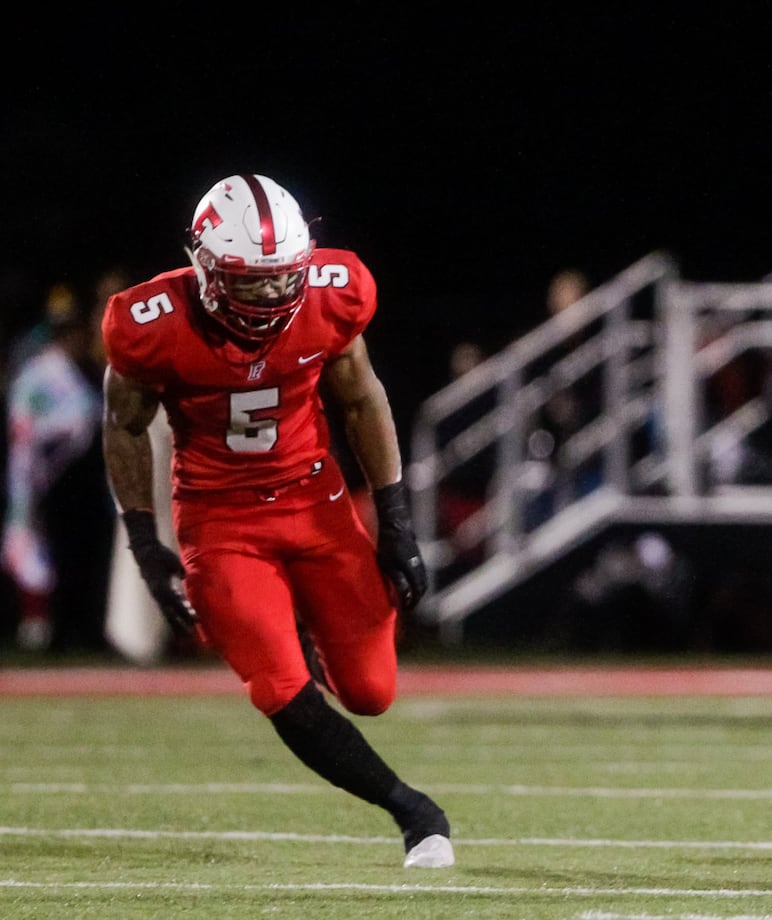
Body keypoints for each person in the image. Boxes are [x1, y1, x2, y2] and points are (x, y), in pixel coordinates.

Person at [100, 173, 452, 869]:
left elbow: (360, 399)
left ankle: (306, 632)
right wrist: (146, 542)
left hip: (314, 503)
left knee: (371, 692)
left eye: (283, 278)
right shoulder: (147, 324)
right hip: (219, 520)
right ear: (205, 269)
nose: (273, 295)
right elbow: (124, 426)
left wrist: (397, 522)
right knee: (279, 686)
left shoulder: (332, 292)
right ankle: (413, 812)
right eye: (252, 282)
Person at [4, 313, 114, 651]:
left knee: (83, 556)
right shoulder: (38, 374)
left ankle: (81, 628)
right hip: (50, 478)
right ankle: (50, 630)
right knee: (47, 553)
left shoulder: (86, 369)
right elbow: (22, 427)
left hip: (84, 480)